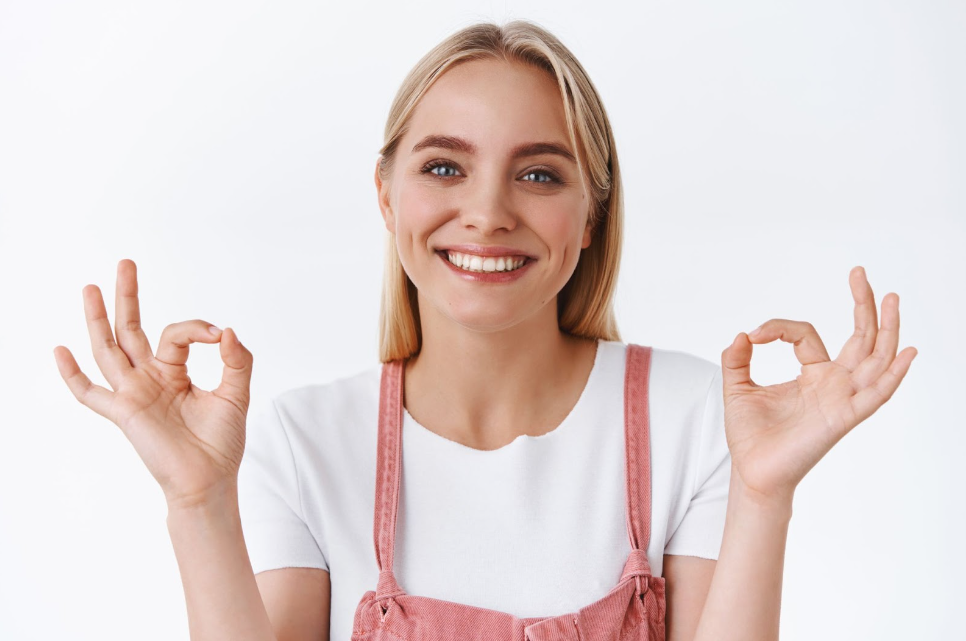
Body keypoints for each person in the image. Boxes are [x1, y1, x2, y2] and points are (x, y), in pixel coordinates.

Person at [53, 19, 917, 641]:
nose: (488, 213)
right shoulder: (304, 439)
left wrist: (764, 499)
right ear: (387, 195)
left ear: (589, 216)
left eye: (539, 173)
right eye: (444, 167)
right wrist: (196, 503)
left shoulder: (698, 415)